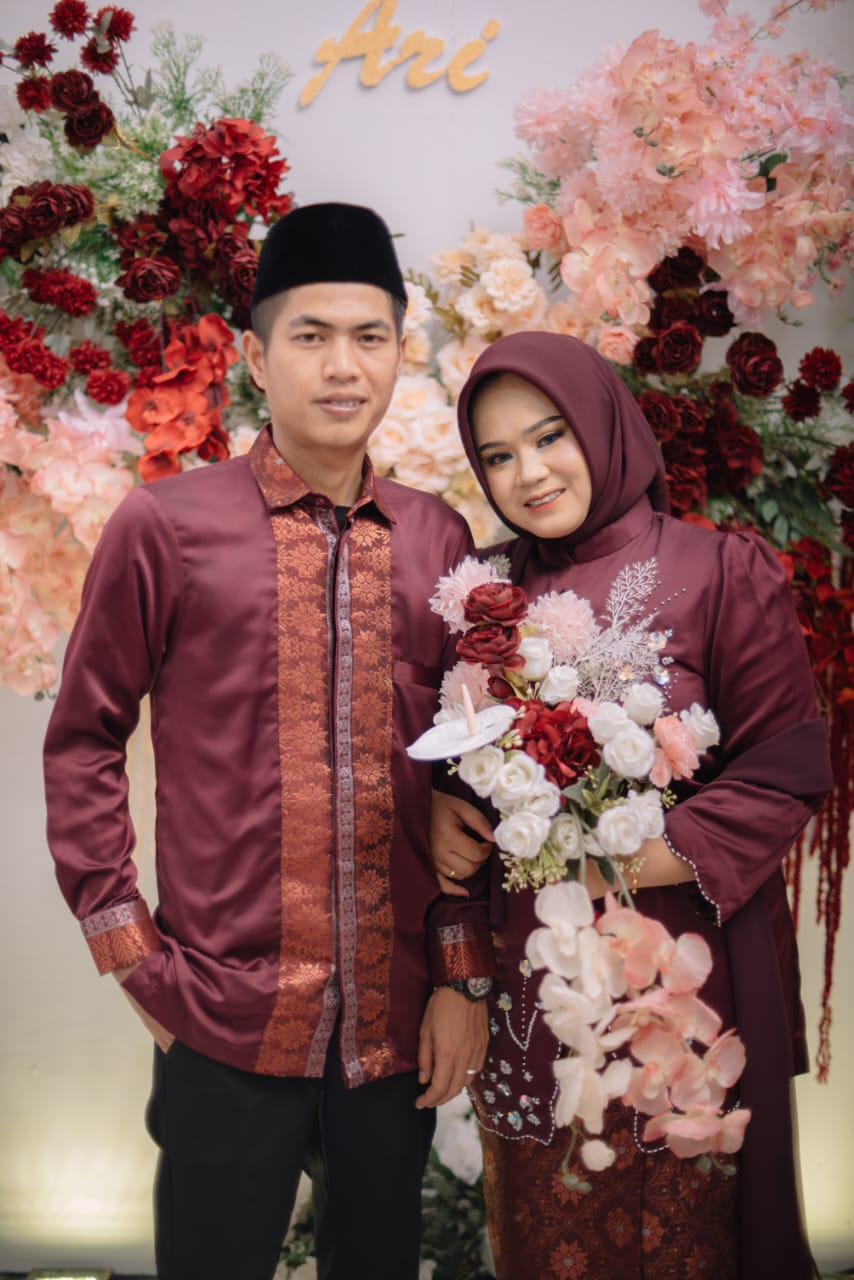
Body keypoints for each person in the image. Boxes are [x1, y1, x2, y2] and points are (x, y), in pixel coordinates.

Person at [42, 202, 496, 1280]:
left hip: (393, 1022)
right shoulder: (165, 527)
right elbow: (84, 739)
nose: (343, 365)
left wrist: (461, 977)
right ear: (255, 357)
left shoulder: (439, 539)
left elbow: (473, 777)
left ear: (400, 350)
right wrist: (136, 959)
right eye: (311, 335)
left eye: (369, 336)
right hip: (221, 1015)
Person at [431, 330, 831, 1279]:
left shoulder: (719, 570)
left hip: (687, 974)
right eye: (498, 455)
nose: (529, 473)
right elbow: (448, 779)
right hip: (533, 989)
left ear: (605, 424)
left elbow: (783, 769)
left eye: (550, 436)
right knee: (550, 1235)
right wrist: (441, 820)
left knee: (687, 1233)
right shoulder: (483, 598)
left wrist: (603, 862)